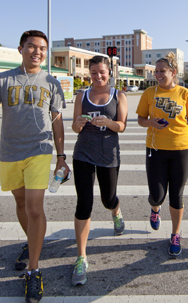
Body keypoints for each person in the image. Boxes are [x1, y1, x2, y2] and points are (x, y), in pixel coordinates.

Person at [0, 30, 68, 303]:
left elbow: (57, 122)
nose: (37, 52)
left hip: (40, 150)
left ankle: (33, 270)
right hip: (10, 152)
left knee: (35, 208)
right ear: (21, 49)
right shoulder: (3, 79)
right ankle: (33, 241)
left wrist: (61, 156)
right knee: (22, 203)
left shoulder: (51, 82)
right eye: (32, 47)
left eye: (42, 48)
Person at [136, 52, 188, 257]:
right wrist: (151, 123)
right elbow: (140, 119)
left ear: (173, 72)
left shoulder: (185, 94)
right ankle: (155, 210)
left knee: (177, 194)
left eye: (162, 71)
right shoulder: (149, 93)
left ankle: (175, 234)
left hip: (181, 149)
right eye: (155, 71)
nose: (157, 74)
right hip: (155, 149)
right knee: (156, 194)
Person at [70, 56, 128, 286]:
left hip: (108, 154)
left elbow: (122, 126)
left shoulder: (119, 95)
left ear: (109, 72)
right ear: (89, 74)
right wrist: (81, 122)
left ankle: (116, 212)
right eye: (93, 72)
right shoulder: (81, 96)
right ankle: (81, 257)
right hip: (83, 153)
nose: (98, 76)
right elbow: (74, 127)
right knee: (84, 203)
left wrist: (108, 122)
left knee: (108, 198)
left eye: (101, 72)